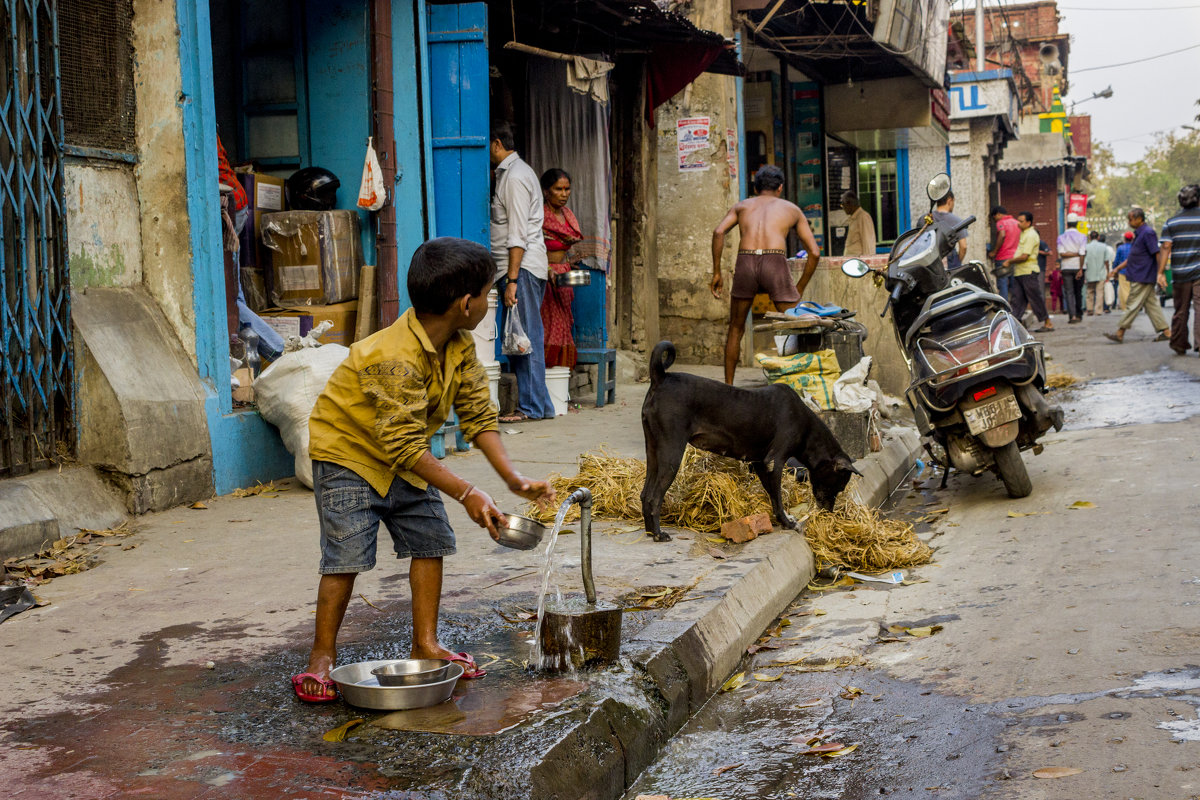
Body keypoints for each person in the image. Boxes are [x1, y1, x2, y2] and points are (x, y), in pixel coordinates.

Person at [292, 237, 556, 703]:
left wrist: (512, 480)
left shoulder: (458, 345)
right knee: (346, 557)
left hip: (404, 454)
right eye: (489, 293)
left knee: (431, 539)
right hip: (348, 456)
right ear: (465, 303)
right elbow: (403, 445)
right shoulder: (392, 356)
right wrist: (467, 491)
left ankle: (425, 643)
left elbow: (478, 417)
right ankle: (321, 656)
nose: (490, 301)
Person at [711, 165, 820, 385]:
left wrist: (717, 272)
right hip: (774, 262)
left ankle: (729, 387)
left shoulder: (742, 206)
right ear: (780, 188)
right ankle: (799, 385)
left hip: (746, 261)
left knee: (736, 327)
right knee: (795, 325)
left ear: (755, 187)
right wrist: (799, 287)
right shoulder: (791, 209)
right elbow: (815, 253)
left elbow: (718, 232)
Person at [489, 122, 555, 422]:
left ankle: (533, 408)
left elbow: (517, 234)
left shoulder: (514, 178)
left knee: (525, 335)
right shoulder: (514, 174)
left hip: (522, 269)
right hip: (522, 268)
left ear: (497, 143)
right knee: (521, 336)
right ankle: (537, 405)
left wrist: (512, 280)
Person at [1105, 207, 1169, 344]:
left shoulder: (1147, 233)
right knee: (1151, 305)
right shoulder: (1139, 234)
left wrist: (1160, 273)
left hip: (1143, 275)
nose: (1129, 222)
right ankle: (1166, 332)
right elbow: (1133, 257)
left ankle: (1120, 332)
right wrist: (1117, 268)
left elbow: (1156, 253)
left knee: (1132, 304)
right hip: (1139, 274)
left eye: (1131, 219)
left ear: (1140, 219)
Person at [539, 168, 580, 368]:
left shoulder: (568, 215)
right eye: (558, 189)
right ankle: (545, 373)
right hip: (545, 276)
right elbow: (532, 247)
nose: (564, 194)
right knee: (550, 326)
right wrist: (547, 269)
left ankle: (562, 379)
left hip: (563, 276)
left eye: (567, 189)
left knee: (564, 324)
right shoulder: (539, 215)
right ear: (546, 191)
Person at [1161, 184, 1200, 355]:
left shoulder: (1171, 222)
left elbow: (1166, 247)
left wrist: (1160, 272)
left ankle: (1178, 343)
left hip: (1180, 272)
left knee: (1181, 309)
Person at [1009, 211, 1053, 331]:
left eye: (1021, 221)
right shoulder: (1023, 234)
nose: (1019, 223)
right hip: (1019, 272)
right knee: (1017, 299)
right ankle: (1014, 326)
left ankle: (1047, 322)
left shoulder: (1031, 235)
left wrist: (1009, 261)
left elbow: (1025, 256)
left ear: (1028, 222)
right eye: (1018, 220)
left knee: (1035, 298)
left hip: (1028, 271)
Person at [1057, 213, 1088, 323]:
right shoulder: (1082, 236)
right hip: (1079, 266)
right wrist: (1080, 269)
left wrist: (1072, 254)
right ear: (1077, 224)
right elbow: (1082, 253)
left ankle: (1072, 316)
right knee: (1078, 292)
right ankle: (1079, 314)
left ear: (1067, 224)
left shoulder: (1061, 237)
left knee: (1069, 292)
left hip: (1066, 267)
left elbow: (1062, 254)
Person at [931, 191, 968, 269]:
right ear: (949, 200)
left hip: (931, 261)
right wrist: (958, 262)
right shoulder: (956, 220)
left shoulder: (928, 218)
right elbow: (963, 246)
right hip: (950, 260)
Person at [990, 206, 1020, 300]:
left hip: (1003, 256)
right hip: (1015, 257)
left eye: (994, 218)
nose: (995, 221)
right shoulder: (1017, 223)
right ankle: (1015, 306)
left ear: (998, 214)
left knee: (1002, 283)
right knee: (1014, 284)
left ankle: (1004, 307)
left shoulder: (1001, 222)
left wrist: (994, 252)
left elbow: (1002, 235)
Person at [1083, 231, 1112, 316]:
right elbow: (1106, 261)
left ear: (1090, 237)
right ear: (1098, 237)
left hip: (1090, 272)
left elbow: (1085, 262)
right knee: (1100, 292)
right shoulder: (1104, 247)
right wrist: (1107, 272)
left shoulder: (1086, 247)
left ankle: (1090, 309)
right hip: (1101, 272)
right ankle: (1098, 310)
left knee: (1089, 291)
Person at [840, 190, 876, 257]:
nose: (843, 208)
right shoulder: (853, 218)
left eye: (843, 205)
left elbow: (868, 243)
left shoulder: (863, 217)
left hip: (859, 263)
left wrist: (867, 262)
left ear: (849, 204)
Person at [1113, 231, 1133, 310]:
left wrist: (1115, 269)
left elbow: (1117, 260)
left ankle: (1126, 307)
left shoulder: (1120, 248)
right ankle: (1132, 306)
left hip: (1122, 272)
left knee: (1124, 290)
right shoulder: (1135, 247)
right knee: (1132, 289)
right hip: (1134, 272)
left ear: (1124, 239)